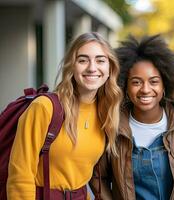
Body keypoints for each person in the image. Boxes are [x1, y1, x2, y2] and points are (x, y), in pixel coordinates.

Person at [7, 32, 122, 200]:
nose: (92, 67)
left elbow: (82, 178)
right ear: (71, 66)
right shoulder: (45, 108)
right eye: (83, 60)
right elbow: (20, 174)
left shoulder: (106, 112)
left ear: (110, 67)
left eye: (100, 60)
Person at [89, 35, 174, 200]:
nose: (145, 90)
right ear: (125, 86)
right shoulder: (111, 126)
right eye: (136, 82)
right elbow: (97, 177)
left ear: (164, 85)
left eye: (154, 82)